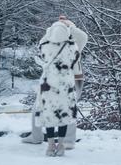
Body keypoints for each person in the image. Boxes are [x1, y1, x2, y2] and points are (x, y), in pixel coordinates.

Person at [32, 18, 88, 156]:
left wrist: (50, 30)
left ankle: (50, 146)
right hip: (65, 85)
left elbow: (42, 43)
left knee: (49, 115)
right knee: (63, 114)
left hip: (48, 85)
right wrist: (70, 26)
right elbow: (81, 42)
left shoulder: (45, 45)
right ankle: (61, 146)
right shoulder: (71, 46)